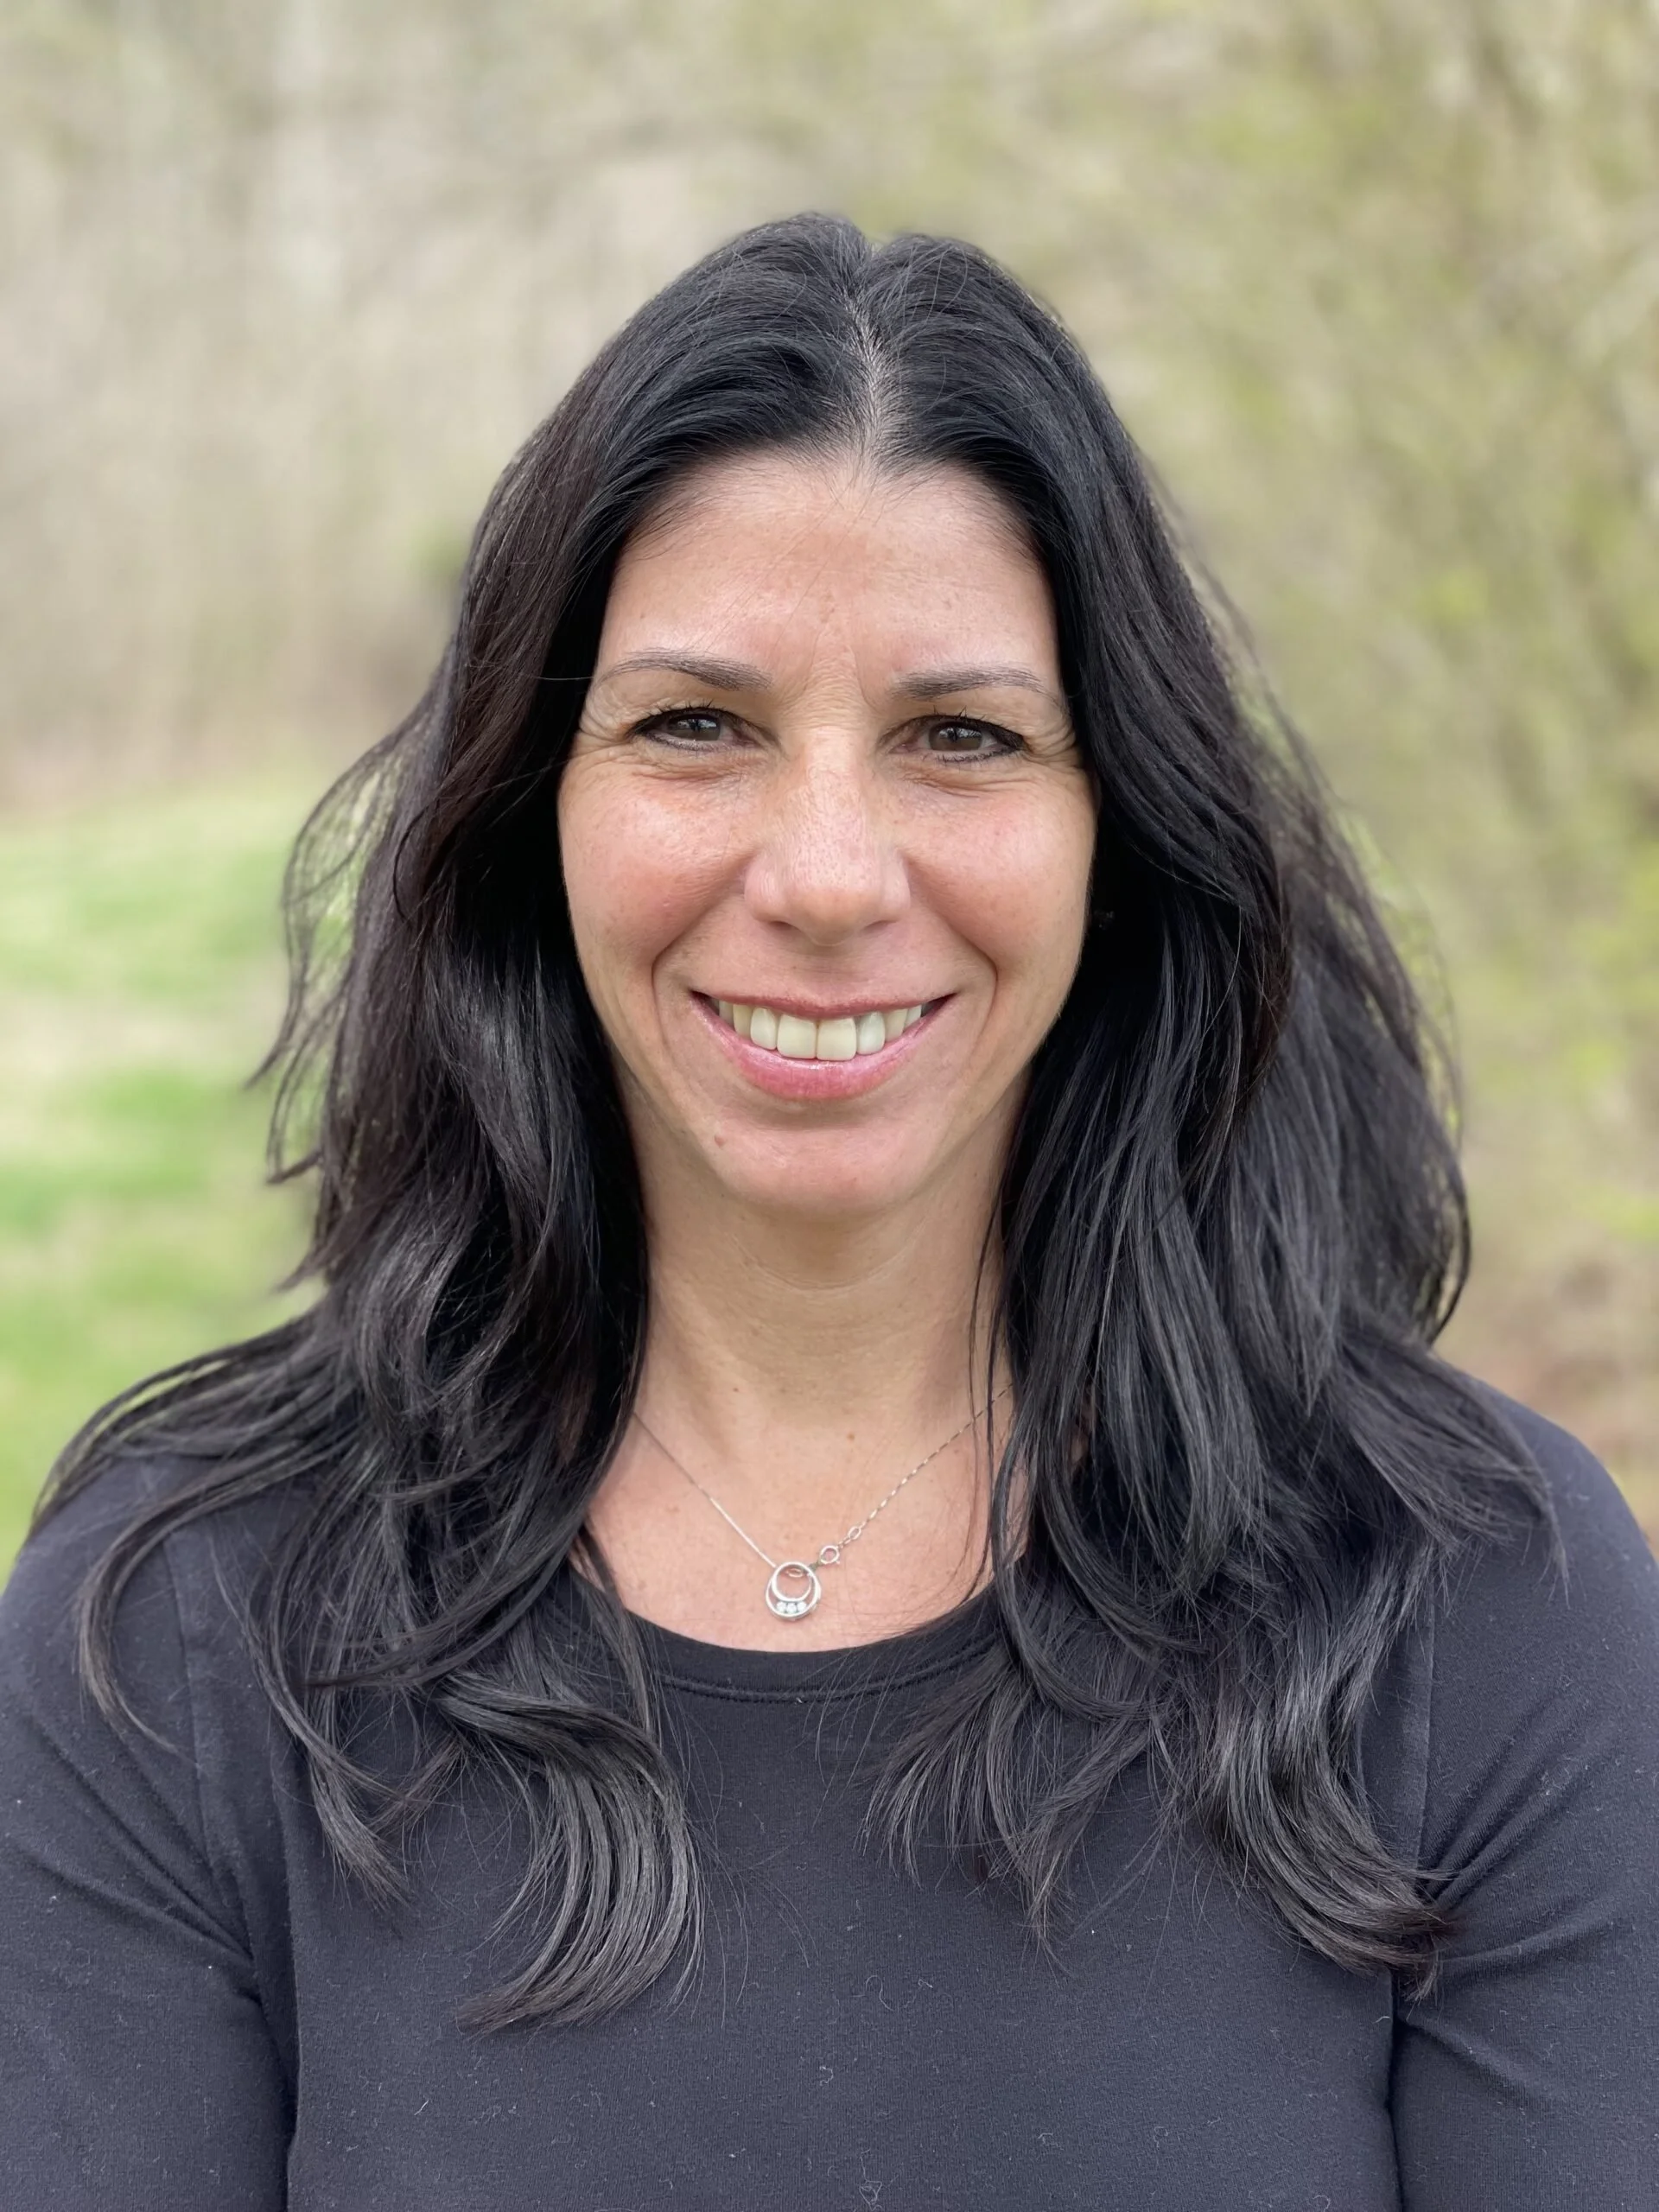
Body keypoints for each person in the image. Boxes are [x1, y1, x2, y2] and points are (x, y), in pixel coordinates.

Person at [2, 214, 1656, 2211]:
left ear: (1115, 831)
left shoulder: (1475, 1601)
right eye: (697, 724)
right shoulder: (177, 1625)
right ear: (533, 812)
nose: (829, 868)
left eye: (961, 735)